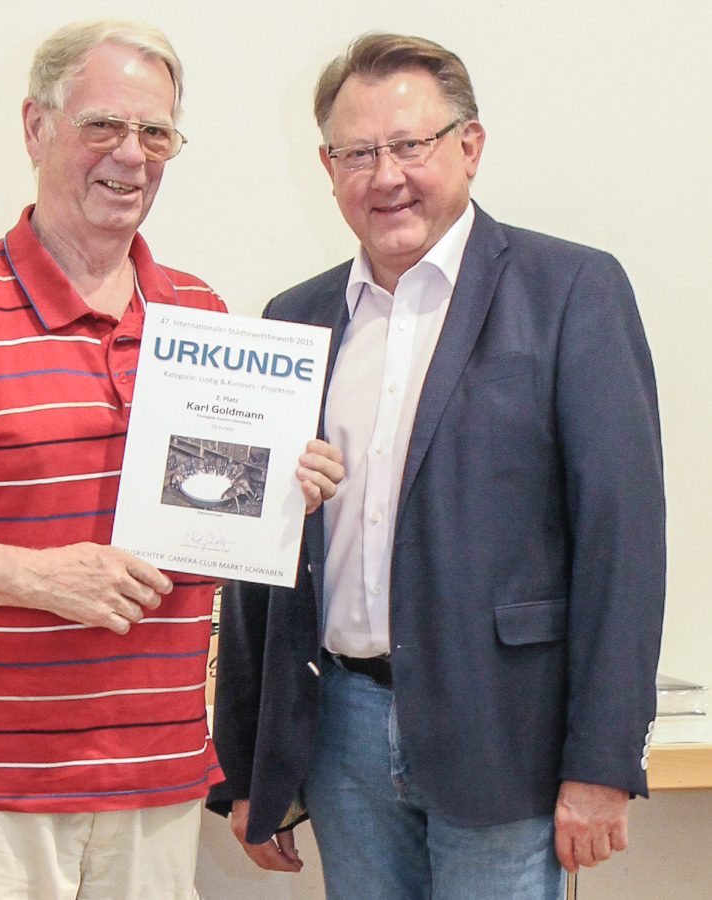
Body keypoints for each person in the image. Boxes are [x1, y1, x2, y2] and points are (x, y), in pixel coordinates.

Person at [0, 19, 342, 900]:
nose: (131, 155)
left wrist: (287, 494)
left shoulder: (202, 316)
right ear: (36, 128)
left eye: (156, 133)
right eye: (103, 125)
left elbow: (214, 530)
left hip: (158, 779)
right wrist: (39, 577)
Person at [208, 31, 665, 900]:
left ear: (470, 146)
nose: (386, 176)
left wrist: (604, 760)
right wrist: (246, 765)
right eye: (358, 153)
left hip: (507, 737)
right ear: (327, 167)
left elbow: (625, 544)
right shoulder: (293, 320)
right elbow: (255, 558)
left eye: (410, 145)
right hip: (339, 733)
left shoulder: (571, 291)